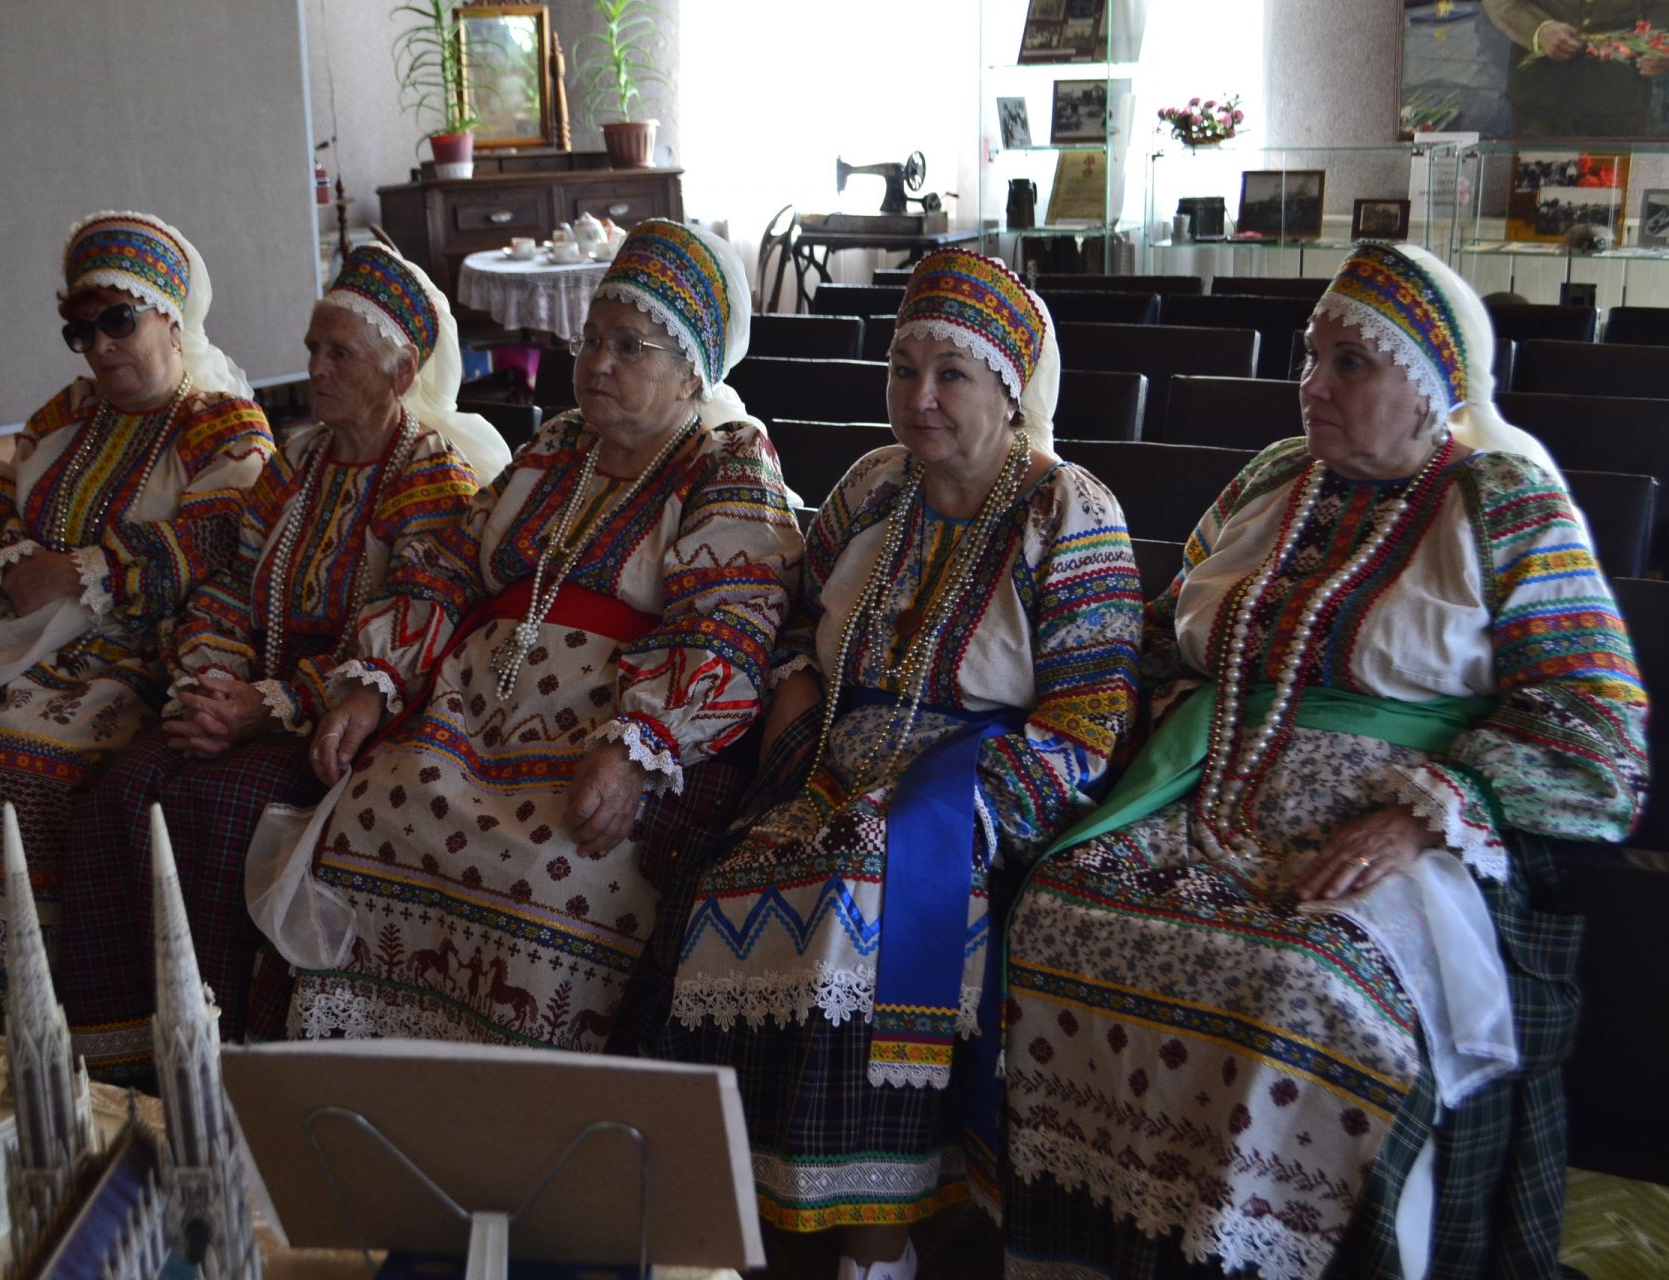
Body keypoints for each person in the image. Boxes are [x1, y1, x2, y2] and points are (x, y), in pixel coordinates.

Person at [1001, 242, 1649, 1278]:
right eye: (1313, 357)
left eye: (1352, 363)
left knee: (1303, 980)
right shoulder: (1271, 480)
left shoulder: (1503, 502)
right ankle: (1102, 1247)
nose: (1313, 385)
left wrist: (1427, 813)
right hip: (1200, 794)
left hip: (1396, 834)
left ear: (1430, 386)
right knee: (1062, 909)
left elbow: (1595, 724)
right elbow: (1163, 630)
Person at [656, 248, 1143, 1280]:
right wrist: (795, 738)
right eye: (903, 368)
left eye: (951, 373)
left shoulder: (1070, 509)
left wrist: (956, 814)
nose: (919, 398)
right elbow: (789, 625)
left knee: (862, 886)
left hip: (972, 789)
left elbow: (1091, 715)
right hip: (837, 771)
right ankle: (761, 1214)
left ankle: (878, 1237)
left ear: (1010, 391)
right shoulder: (874, 488)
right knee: (727, 878)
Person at [246, 218, 804, 1052]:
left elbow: (729, 627)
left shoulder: (725, 464)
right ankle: (378, 1094)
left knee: (549, 873)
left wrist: (633, 748)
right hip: (469, 713)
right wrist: (371, 685)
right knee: (364, 815)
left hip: (600, 725)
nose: (598, 363)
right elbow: (443, 563)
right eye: (591, 340)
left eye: (631, 345)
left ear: (694, 370)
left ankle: (535, 1118)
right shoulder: (554, 446)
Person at [53, 245, 498, 1082]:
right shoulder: (296, 461)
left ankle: (225, 1066)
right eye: (312, 348)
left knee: (221, 817)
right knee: (125, 792)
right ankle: (121, 1059)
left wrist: (269, 703)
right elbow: (225, 585)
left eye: (340, 354)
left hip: (346, 709)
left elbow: (409, 617)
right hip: (248, 693)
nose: (315, 368)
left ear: (400, 373)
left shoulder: (429, 472)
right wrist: (208, 682)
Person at [0, 211, 274, 1012]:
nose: (101, 345)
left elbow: (218, 542)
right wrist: (15, 567)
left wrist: (80, 569)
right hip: (22, 646)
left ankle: (47, 1003)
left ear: (171, 316)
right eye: (81, 330)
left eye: (119, 320)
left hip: (145, 656)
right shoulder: (61, 418)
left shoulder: (220, 423)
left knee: (37, 768)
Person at [1482, 0, 1669, 137]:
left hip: (1619, 95)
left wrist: (1657, 42)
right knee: (1535, 187)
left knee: (1616, 185)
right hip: (1542, 93)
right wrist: (1539, 30)